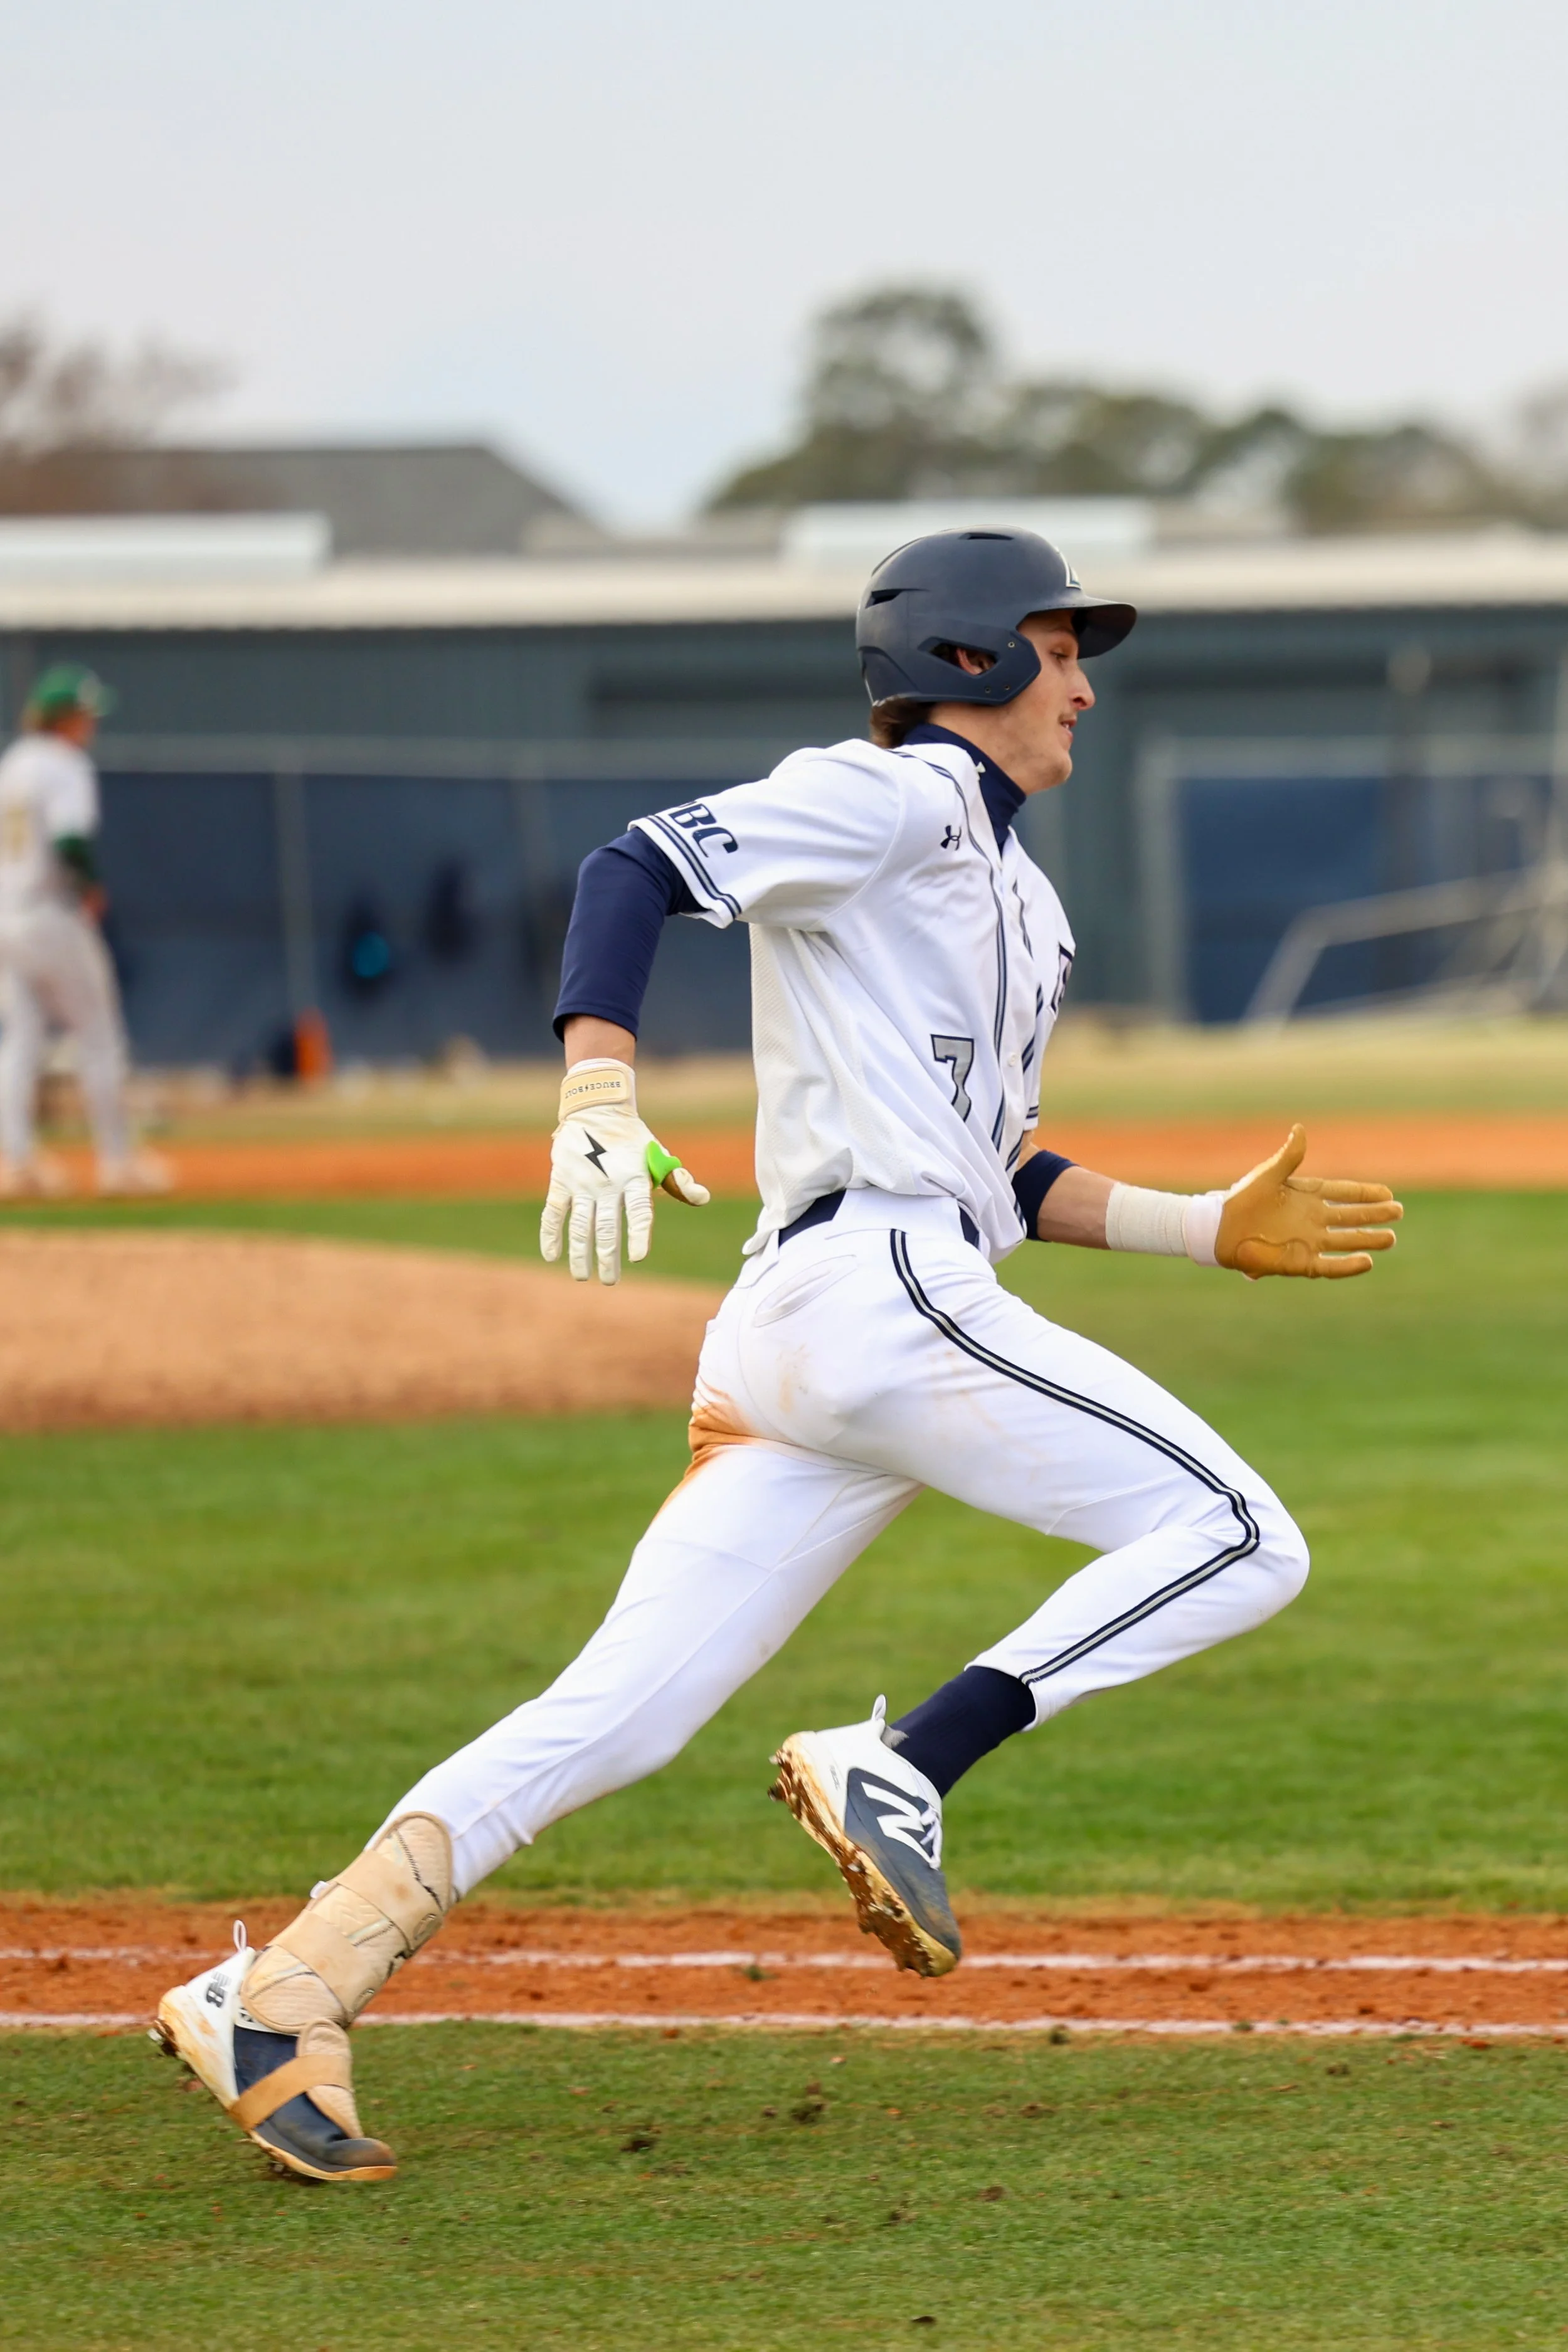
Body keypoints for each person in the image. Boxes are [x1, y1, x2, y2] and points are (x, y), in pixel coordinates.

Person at [155, 530, 1401, 2182]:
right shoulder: (885, 796)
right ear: (965, 659)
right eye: (1057, 650)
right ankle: (906, 1759)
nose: (1085, 688)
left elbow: (995, 1167)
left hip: (815, 1327)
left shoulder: (1023, 898)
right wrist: (596, 1083)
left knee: (619, 1713)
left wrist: (1197, 1225)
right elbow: (632, 867)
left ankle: (285, 1985)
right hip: (871, 1290)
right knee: (1240, 1534)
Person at [0, 663, 171, 1195]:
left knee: (21, 1039)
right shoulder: (64, 765)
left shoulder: (14, 763)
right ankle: (117, 1164)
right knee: (99, 1036)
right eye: (85, 714)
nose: (91, 724)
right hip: (50, 912)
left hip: (7, 914)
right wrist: (90, 886)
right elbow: (70, 838)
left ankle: (15, 1161)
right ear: (65, 718)